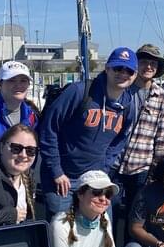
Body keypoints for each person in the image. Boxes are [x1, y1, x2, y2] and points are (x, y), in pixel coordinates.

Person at [39, 47, 137, 218]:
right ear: (107, 69)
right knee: (61, 232)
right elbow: (49, 128)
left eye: (129, 70)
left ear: (135, 75)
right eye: (118, 68)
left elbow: (120, 140)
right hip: (63, 179)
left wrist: (104, 167)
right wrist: (56, 171)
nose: (123, 73)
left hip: (95, 180)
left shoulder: (128, 106)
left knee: (101, 232)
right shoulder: (79, 92)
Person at [113, 44, 164, 235]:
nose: (148, 66)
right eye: (144, 61)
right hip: (114, 162)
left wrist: (157, 168)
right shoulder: (122, 89)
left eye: (153, 63)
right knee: (108, 209)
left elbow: (163, 136)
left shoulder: (162, 96)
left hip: (141, 166)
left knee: (134, 215)